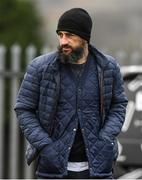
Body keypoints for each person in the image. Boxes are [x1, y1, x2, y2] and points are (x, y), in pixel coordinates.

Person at [14, 8, 128, 179]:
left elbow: (118, 104)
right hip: (52, 169)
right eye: (60, 35)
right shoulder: (40, 68)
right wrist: (45, 145)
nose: (63, 41)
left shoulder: (108, 68)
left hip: (98, 169)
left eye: (69, 35)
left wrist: (106, 137)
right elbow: (23, 109)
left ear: (84, 38)